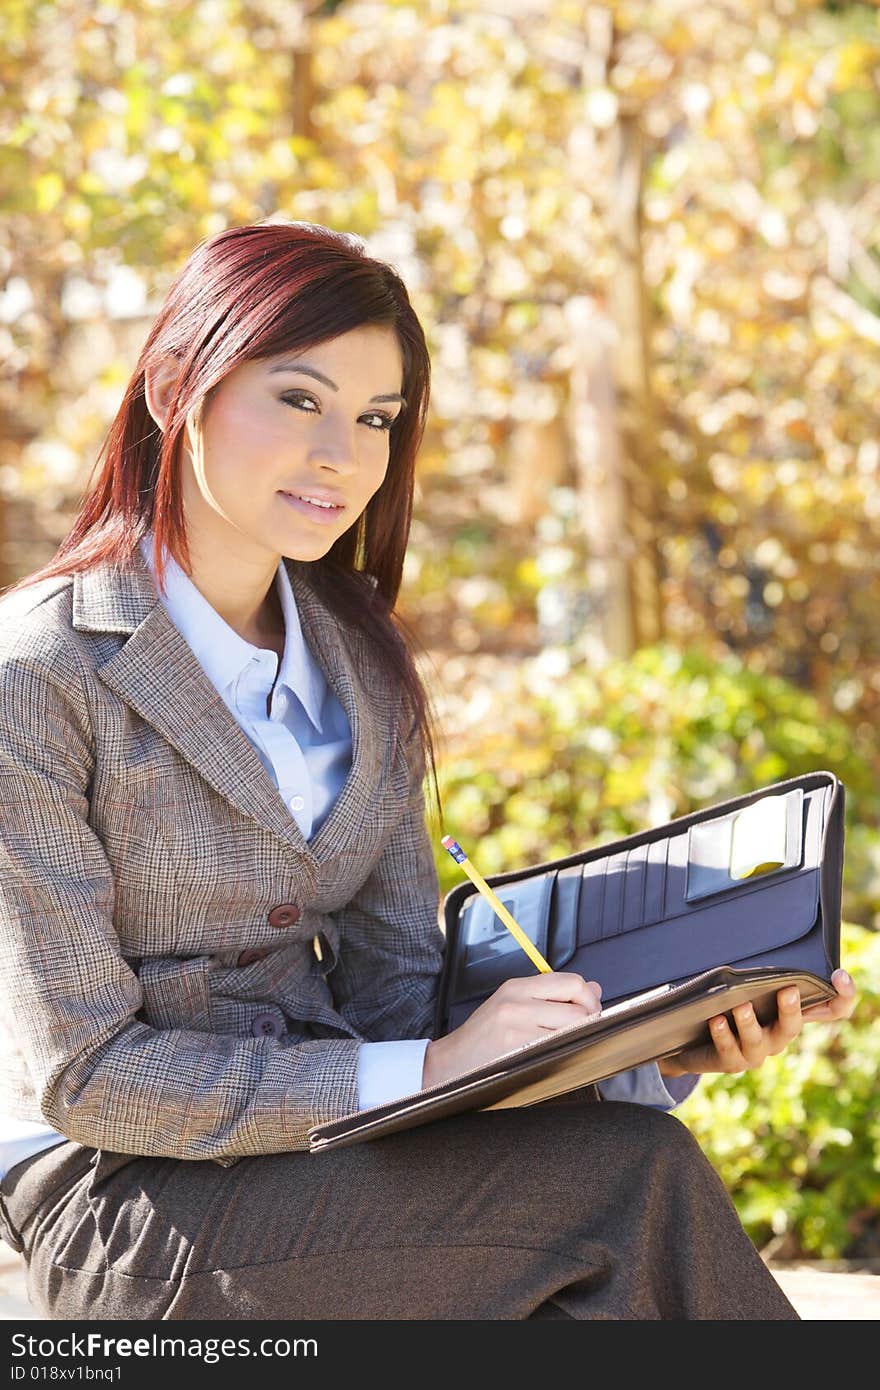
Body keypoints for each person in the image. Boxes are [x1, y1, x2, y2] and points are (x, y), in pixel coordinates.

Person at [0, 220, 856, 1322]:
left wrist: (658, 1035)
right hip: (123, 1199)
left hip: (340, 1160)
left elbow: (401, 994)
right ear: (178, 386)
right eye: (299, 399)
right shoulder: (42, 675)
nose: (342, 456)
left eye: (375, 420)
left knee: (624, 1158)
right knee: (629, 1187)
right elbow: (88, 1075)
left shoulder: (358, 658)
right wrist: (429, 1070)